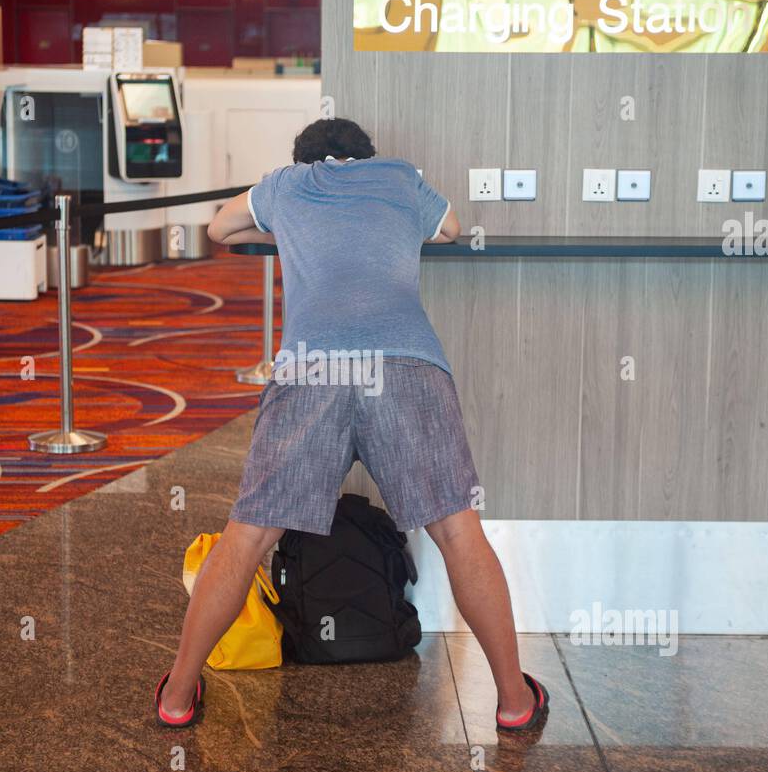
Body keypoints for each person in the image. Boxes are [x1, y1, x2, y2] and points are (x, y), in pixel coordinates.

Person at [153, 117, 547, 732]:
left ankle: (177, 695)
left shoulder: (286, 184)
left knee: (248, 537)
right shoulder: (399, 176)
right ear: (365, 155)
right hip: (408, 368)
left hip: (312, 369)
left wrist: (281, 213)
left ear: (308, 158)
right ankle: (515, 702)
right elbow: (451, 229)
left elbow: (219, 228)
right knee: (459, 534)